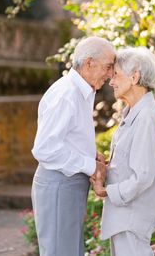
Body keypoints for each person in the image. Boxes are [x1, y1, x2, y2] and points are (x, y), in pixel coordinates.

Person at [31, 36, 115, 256]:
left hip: (66, 184)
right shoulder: (67, 94)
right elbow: (45, 149)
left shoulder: (82, 91)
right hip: (59, 184)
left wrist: (90, 153)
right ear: (89, 63)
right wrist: (90, 165)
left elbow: (68, 137)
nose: (110, 75)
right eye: (108, 67)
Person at [91, 47, 155, 256]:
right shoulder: (133, 111)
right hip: (125, 217)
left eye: (115, 75)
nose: (111, 81)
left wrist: (107, 191)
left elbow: (143, 176)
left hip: (132, 218)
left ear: (134, 77)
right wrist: (108, 166)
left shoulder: (146, 117)